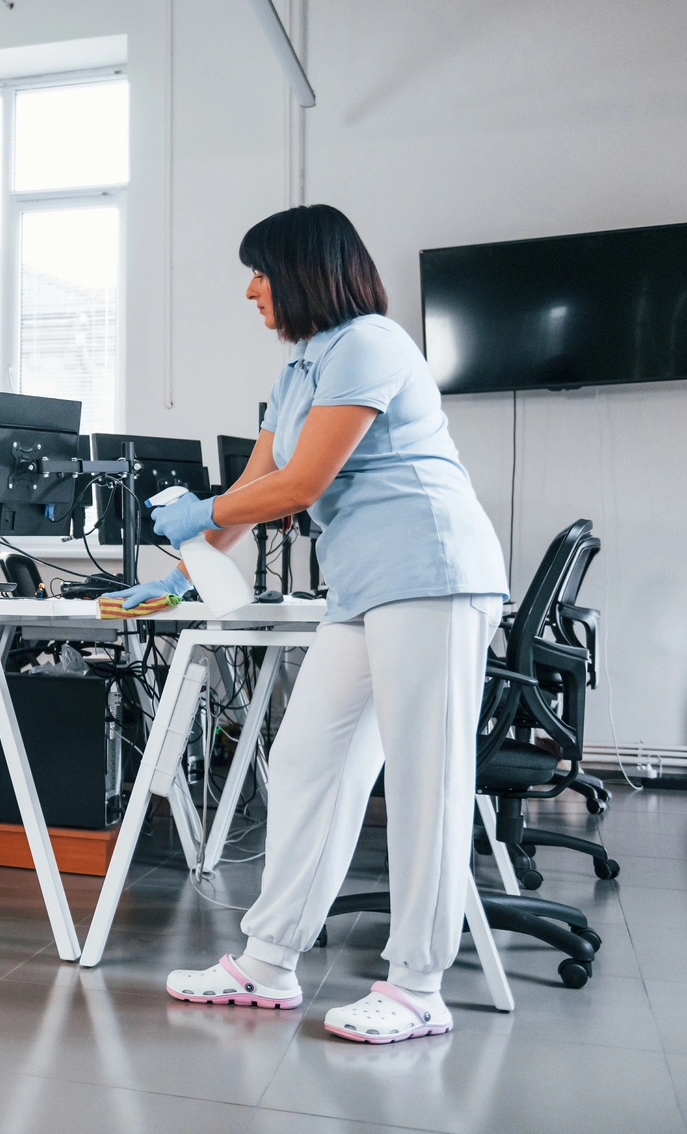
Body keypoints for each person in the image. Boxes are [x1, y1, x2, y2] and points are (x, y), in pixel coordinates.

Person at [116, 205, 507, 1043]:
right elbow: (253, 490)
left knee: (424, 779)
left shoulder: (370, 342)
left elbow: (302, 482)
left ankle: (418, 987)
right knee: (304, 761)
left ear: (301, 272)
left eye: (260, 270)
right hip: (364, 589)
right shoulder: (297, 373)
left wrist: (202, 509)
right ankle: (268, 960)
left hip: (431, 573)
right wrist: (183, 574)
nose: (250, 288)